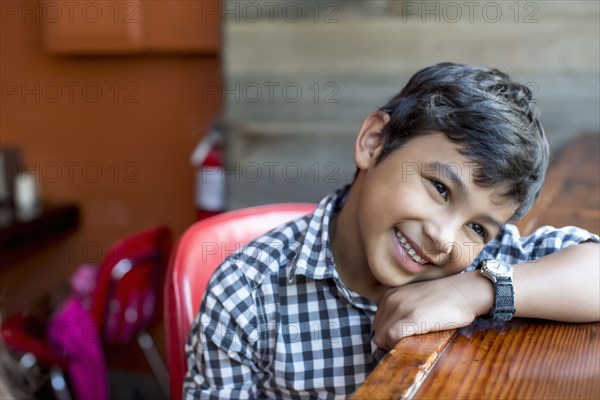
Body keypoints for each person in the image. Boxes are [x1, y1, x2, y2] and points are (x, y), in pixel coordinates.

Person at [184, 63, 599, 399]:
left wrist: (473, 292)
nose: (445, 237)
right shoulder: (247, 294)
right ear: (374, 141)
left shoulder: (483, 265)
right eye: (439, 188)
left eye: (477, 227)